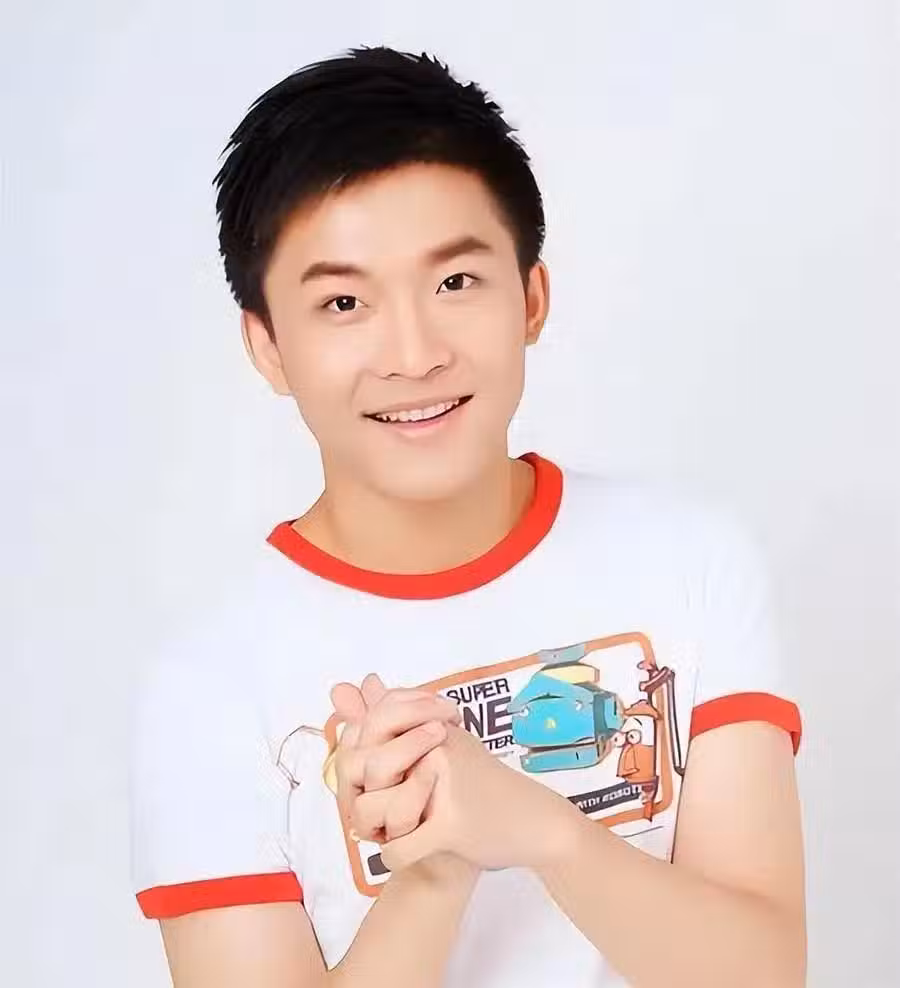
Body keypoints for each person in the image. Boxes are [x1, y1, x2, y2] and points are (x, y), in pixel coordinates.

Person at [130, 46, 806, 988]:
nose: (413, 355)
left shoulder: (689, 562)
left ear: (531, 297)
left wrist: (546, 834)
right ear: (269, 347)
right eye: (343, 302)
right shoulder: (208, 689)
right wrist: (432, 872)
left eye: (454, 282)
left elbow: (763, 973)